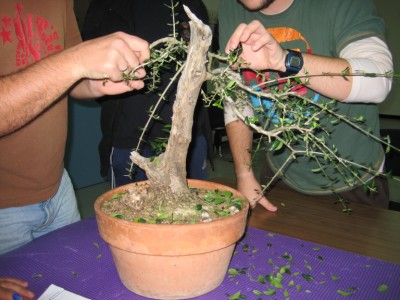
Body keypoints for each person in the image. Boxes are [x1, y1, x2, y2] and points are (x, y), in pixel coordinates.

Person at [0, 0, 149, 297]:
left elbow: (69, 80)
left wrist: (95, 84)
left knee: (77, 282)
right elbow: (68, 64)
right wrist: (75, 61)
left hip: (58, 187)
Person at [219, 0, 393, 211]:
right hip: (279, 172)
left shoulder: (342, 5)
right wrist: (244, 174)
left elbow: (379, 80)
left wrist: (286, 61)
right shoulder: (229, 6)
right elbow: (236, 94)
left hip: (355, 180)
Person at [81, 0, 214, 188]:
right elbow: (89, 68)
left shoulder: (193, 4)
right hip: (128, 139)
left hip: (189, 136)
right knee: (130, 212)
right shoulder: (105, 5)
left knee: (190, 207)